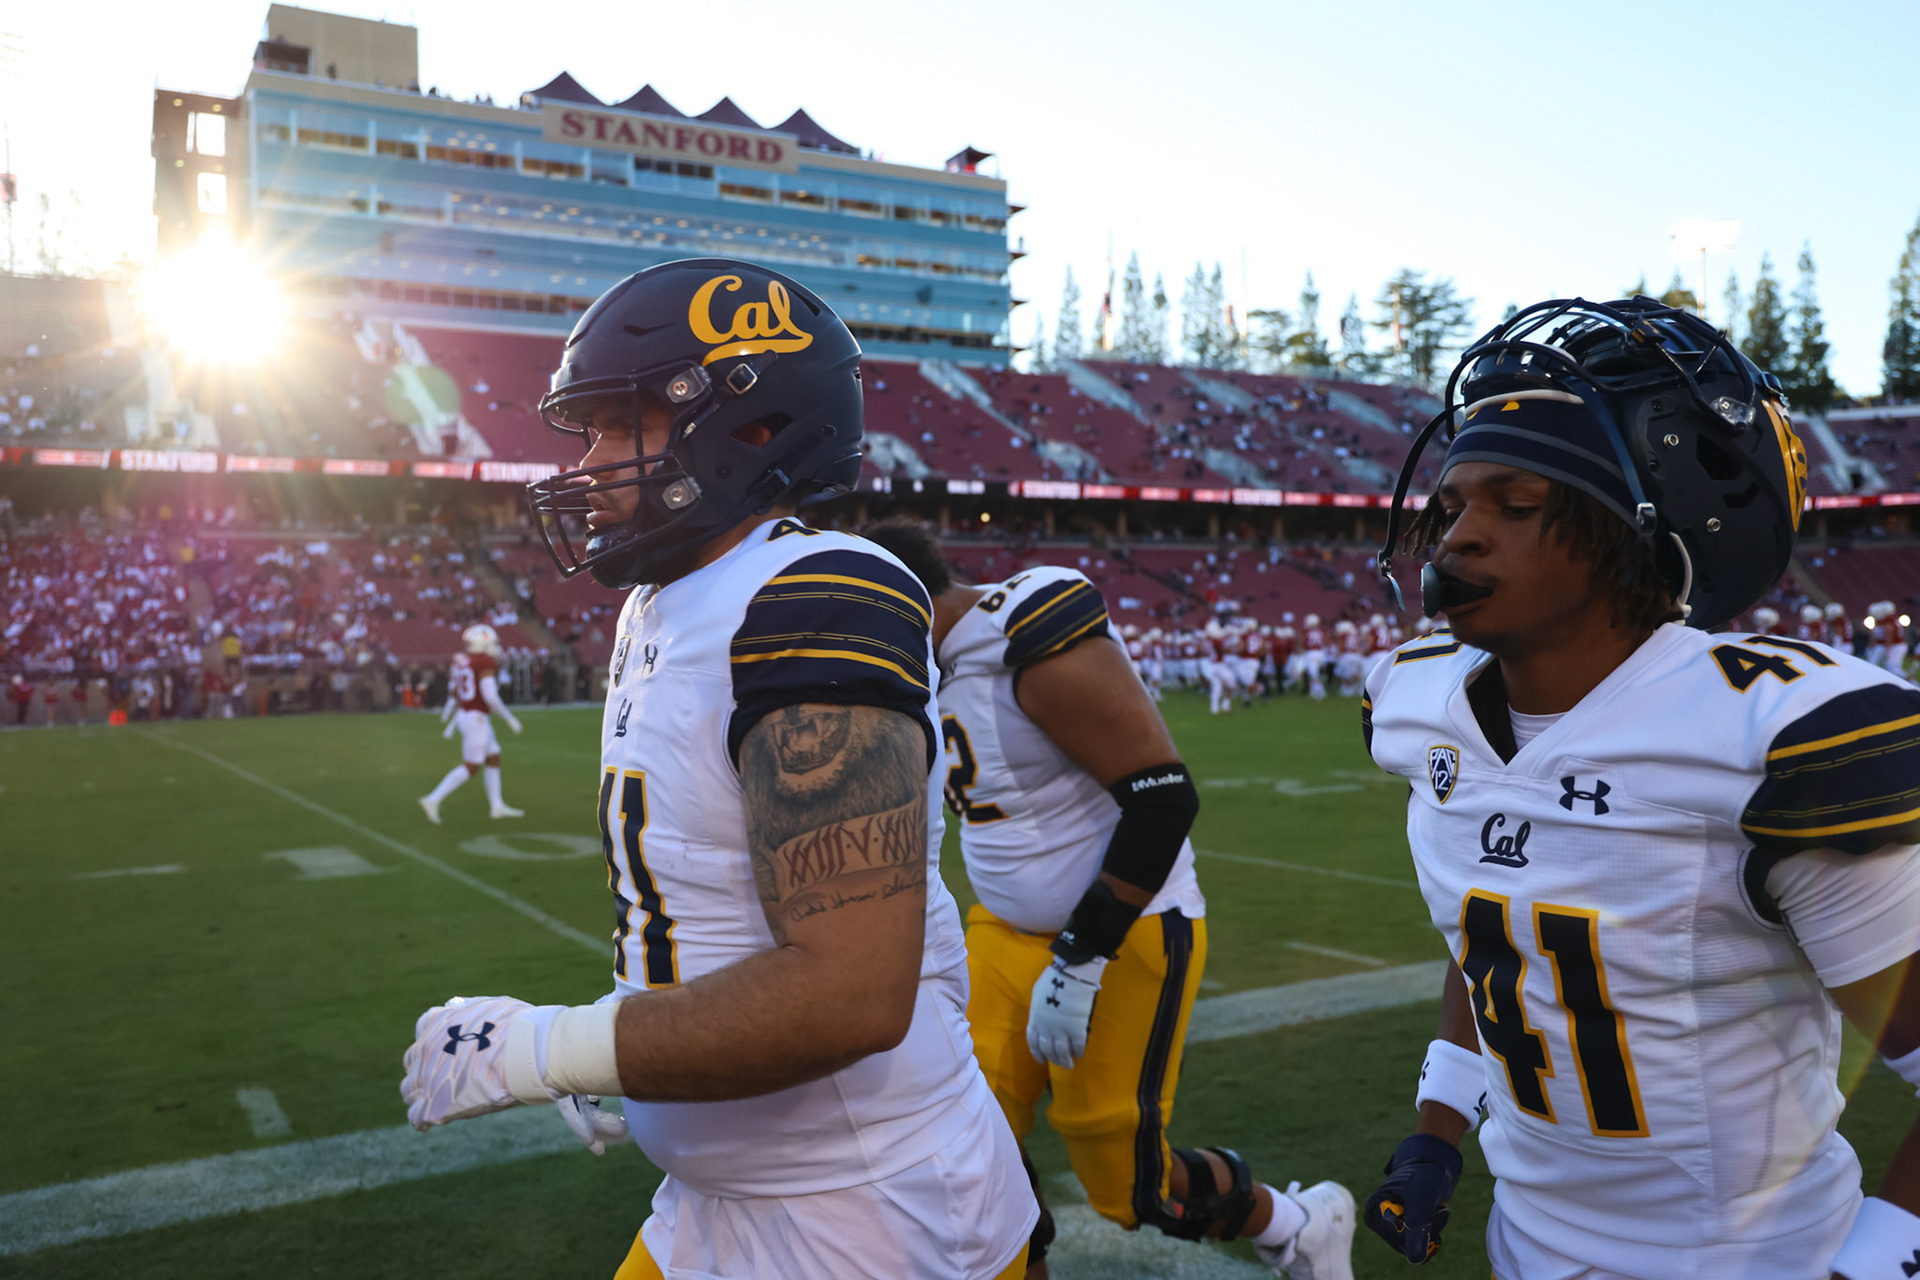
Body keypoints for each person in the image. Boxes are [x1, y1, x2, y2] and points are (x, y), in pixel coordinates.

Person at [401, 259, 1034, 1280]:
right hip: (718, 1197)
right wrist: (639, 1043)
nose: (591, 460)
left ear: (742, 423)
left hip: (871, 1215)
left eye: (620, 424)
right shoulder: (661, 600)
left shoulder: (814, 589)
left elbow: (851, 993)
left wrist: (551, 1045)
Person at [1362, 296, 1920, 1279]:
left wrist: (1873, 1262)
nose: (1459, 538)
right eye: (1454, 505)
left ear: (1633, 533)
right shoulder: (1415, 703)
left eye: (1518, 505)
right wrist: (1438, 1125)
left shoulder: (1770, 736)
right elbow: (1499, 933)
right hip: (1524, 1246)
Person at [862, 518, 1355, 1280]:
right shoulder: (929, 672)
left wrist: (1081, 957)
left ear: (903, 602)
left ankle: (1299, 1223)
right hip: (997, 928)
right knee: (958, 1138)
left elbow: (1163, 800)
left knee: (1132, 1192)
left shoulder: (1019, 636)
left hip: (1122, 932)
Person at [418, 623, 523, 822]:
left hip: (467, 715)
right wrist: (510, 718)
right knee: (471, 767)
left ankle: (497, 806)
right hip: (476, 719)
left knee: (493, 756)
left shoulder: (464, 662)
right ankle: (433, 799)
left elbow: (457, 692)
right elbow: (490, 697)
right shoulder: (484, 662)